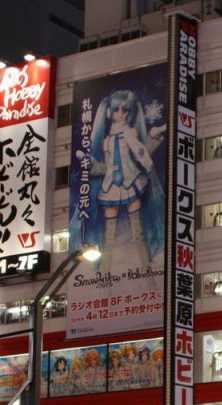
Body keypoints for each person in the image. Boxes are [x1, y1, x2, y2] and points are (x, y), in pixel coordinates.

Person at [74, 88, 166, 276]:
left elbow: (141, 153)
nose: (121, 114)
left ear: (130, 112)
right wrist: (90, 163)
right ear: (110, 112)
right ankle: (104, 274)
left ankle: (145, 268)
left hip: (131, 182)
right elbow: (105, 168)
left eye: (125, 110)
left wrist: (151, 143)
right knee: (109, 237)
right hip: (111, 186)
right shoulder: (107, 139)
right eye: (117, 109)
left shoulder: (130, 133)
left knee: (137, 233)